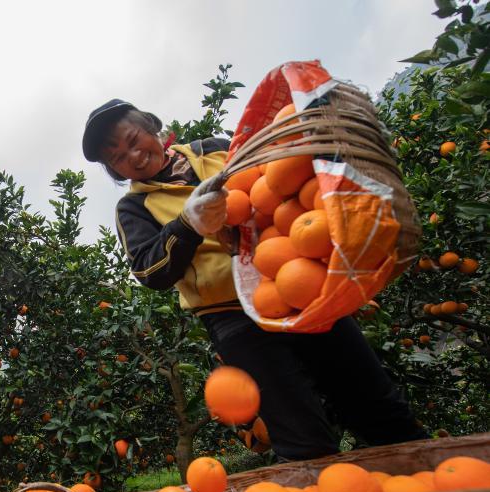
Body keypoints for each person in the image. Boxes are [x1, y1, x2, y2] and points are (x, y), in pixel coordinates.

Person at [81, 99, 427, 461]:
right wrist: (188, 225)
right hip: (233, 319)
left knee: (374, 401)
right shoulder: (134, 208)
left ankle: (427, 485)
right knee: (300, 435)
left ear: (154, 128)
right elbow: (149, 270)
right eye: (119, 158)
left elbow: (275, 178)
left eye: (135, 140)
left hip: (296, 283)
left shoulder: (215, 148)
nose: (134, 156)